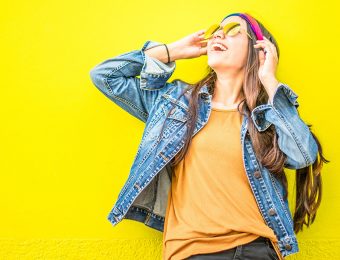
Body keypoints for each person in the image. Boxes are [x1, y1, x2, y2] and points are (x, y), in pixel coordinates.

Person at [90, 12, 329, 260]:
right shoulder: (174, 103)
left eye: (234, 29)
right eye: (216, 29)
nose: (218, 33)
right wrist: (172, 51)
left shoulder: (267, 117)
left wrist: (269, 79)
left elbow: (304, 155)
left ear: (260, 51)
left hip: (257, 249)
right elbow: (105, 76)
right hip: (191, 251)